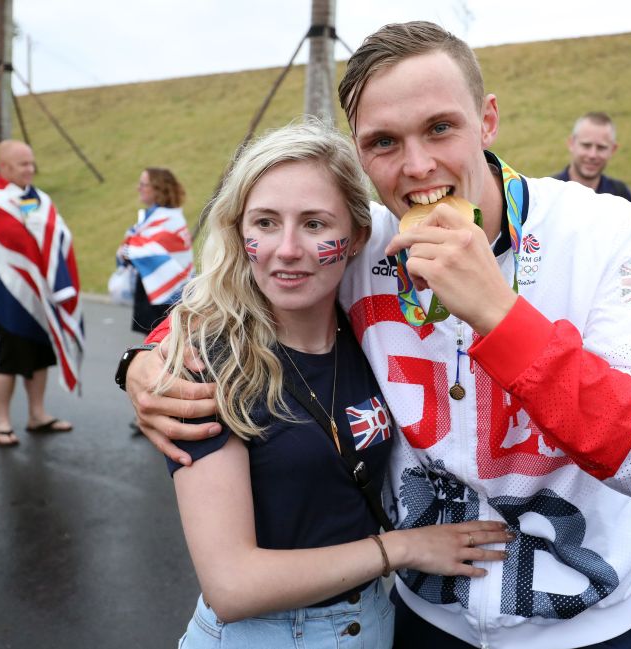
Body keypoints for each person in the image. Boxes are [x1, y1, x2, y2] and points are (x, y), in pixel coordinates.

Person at [123, 22, 631, 649]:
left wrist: (501, 317)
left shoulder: (602, 231)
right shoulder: (361, 238)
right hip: (421, 623)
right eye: (384, 142)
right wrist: (148, 357)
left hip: (586, 630)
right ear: (360, 151)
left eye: (441, 128)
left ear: (488, 119)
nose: (417, 166)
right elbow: (238, 288)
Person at [157, 120, 510, 648]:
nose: (288, 249)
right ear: (240, 232)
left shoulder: (370, 334)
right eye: (266, 223)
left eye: (316, 224)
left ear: (358, 238)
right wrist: (404, 549)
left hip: (372, 626)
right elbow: (231, 584)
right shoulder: (206, 364)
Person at [0, 140, 83, 448]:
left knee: (40, 354)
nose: (30, 169)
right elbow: (18, 241)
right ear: (4, 167)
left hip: (39, 295)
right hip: (8, 295)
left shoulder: (40, 199)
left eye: (32, 163)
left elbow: (55, 234)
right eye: (23, 164)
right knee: (11, 357)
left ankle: (37, 414)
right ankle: (1, 421)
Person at [117, 167, 192, 335]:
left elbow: (147, 250)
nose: (139, 188)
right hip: (152, 290)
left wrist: (130, 248)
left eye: (144, 184)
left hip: (167, 296)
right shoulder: (152, 217)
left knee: (162, 346)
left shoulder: (170, 219)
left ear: (158, 189)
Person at [552, 111, 631, 203]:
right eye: (586, 145)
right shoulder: (548, 192)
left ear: (613, 149)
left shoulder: (620, 196)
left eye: (601, 147)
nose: (592, 155)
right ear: (571, 143)